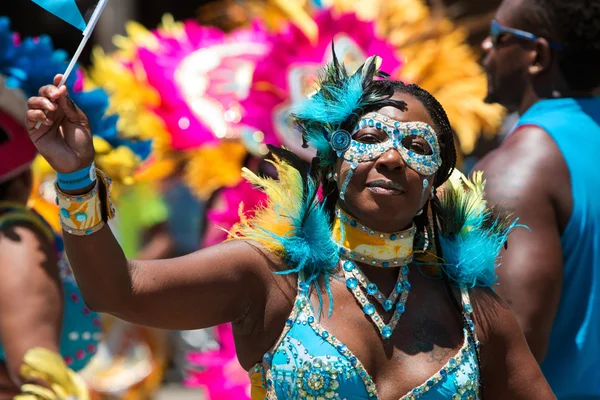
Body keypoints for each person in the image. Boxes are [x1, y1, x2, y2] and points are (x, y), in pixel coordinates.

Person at [26, 52, 555, 399]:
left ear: (436, 180)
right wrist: (75, 179)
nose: (392, 159)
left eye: (418, 147)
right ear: (330, 159)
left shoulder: (475, 313)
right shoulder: (271, 275)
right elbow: (119, 290)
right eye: (371, 137)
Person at [476, 0, 600, 397]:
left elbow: (513, 349)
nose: (484, 46)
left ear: (538, 55)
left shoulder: (522, 165)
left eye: (499, 36)